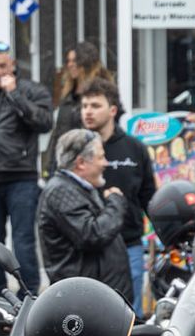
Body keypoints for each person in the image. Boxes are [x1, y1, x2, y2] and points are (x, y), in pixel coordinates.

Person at [0, 41, 53, 297]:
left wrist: (15, 94)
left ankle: (29, 295)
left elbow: (44, 123)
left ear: (13, 66)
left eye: (2, 66)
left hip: (22, 177)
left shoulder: (32, 90)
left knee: (23, 241)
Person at [78, 80, 156, 312]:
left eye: (95, 105)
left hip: (128, 244)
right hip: (87, 247)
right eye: (84, 106)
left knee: (127, 316)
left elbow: (148, 198)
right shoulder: (75, 149)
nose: (88, 111)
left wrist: (163, 238)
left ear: (112, 110)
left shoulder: (135, 148)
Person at [37, 129, 132, 301]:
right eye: (101, 157)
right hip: (85, 301)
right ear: (81, 163)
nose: (105, 163)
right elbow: (92, 234)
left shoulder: (79, 187)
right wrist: (116, 202)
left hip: (97, 298)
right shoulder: (61, 191)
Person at [46, 41, 110, 178]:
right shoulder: (68, 94)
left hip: (91, 164)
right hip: (65, 165)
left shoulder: (102, 91)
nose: (70, 65)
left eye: (75, 61)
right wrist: (50, 167)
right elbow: (58, 133)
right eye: (68, 61)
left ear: (86, 62)